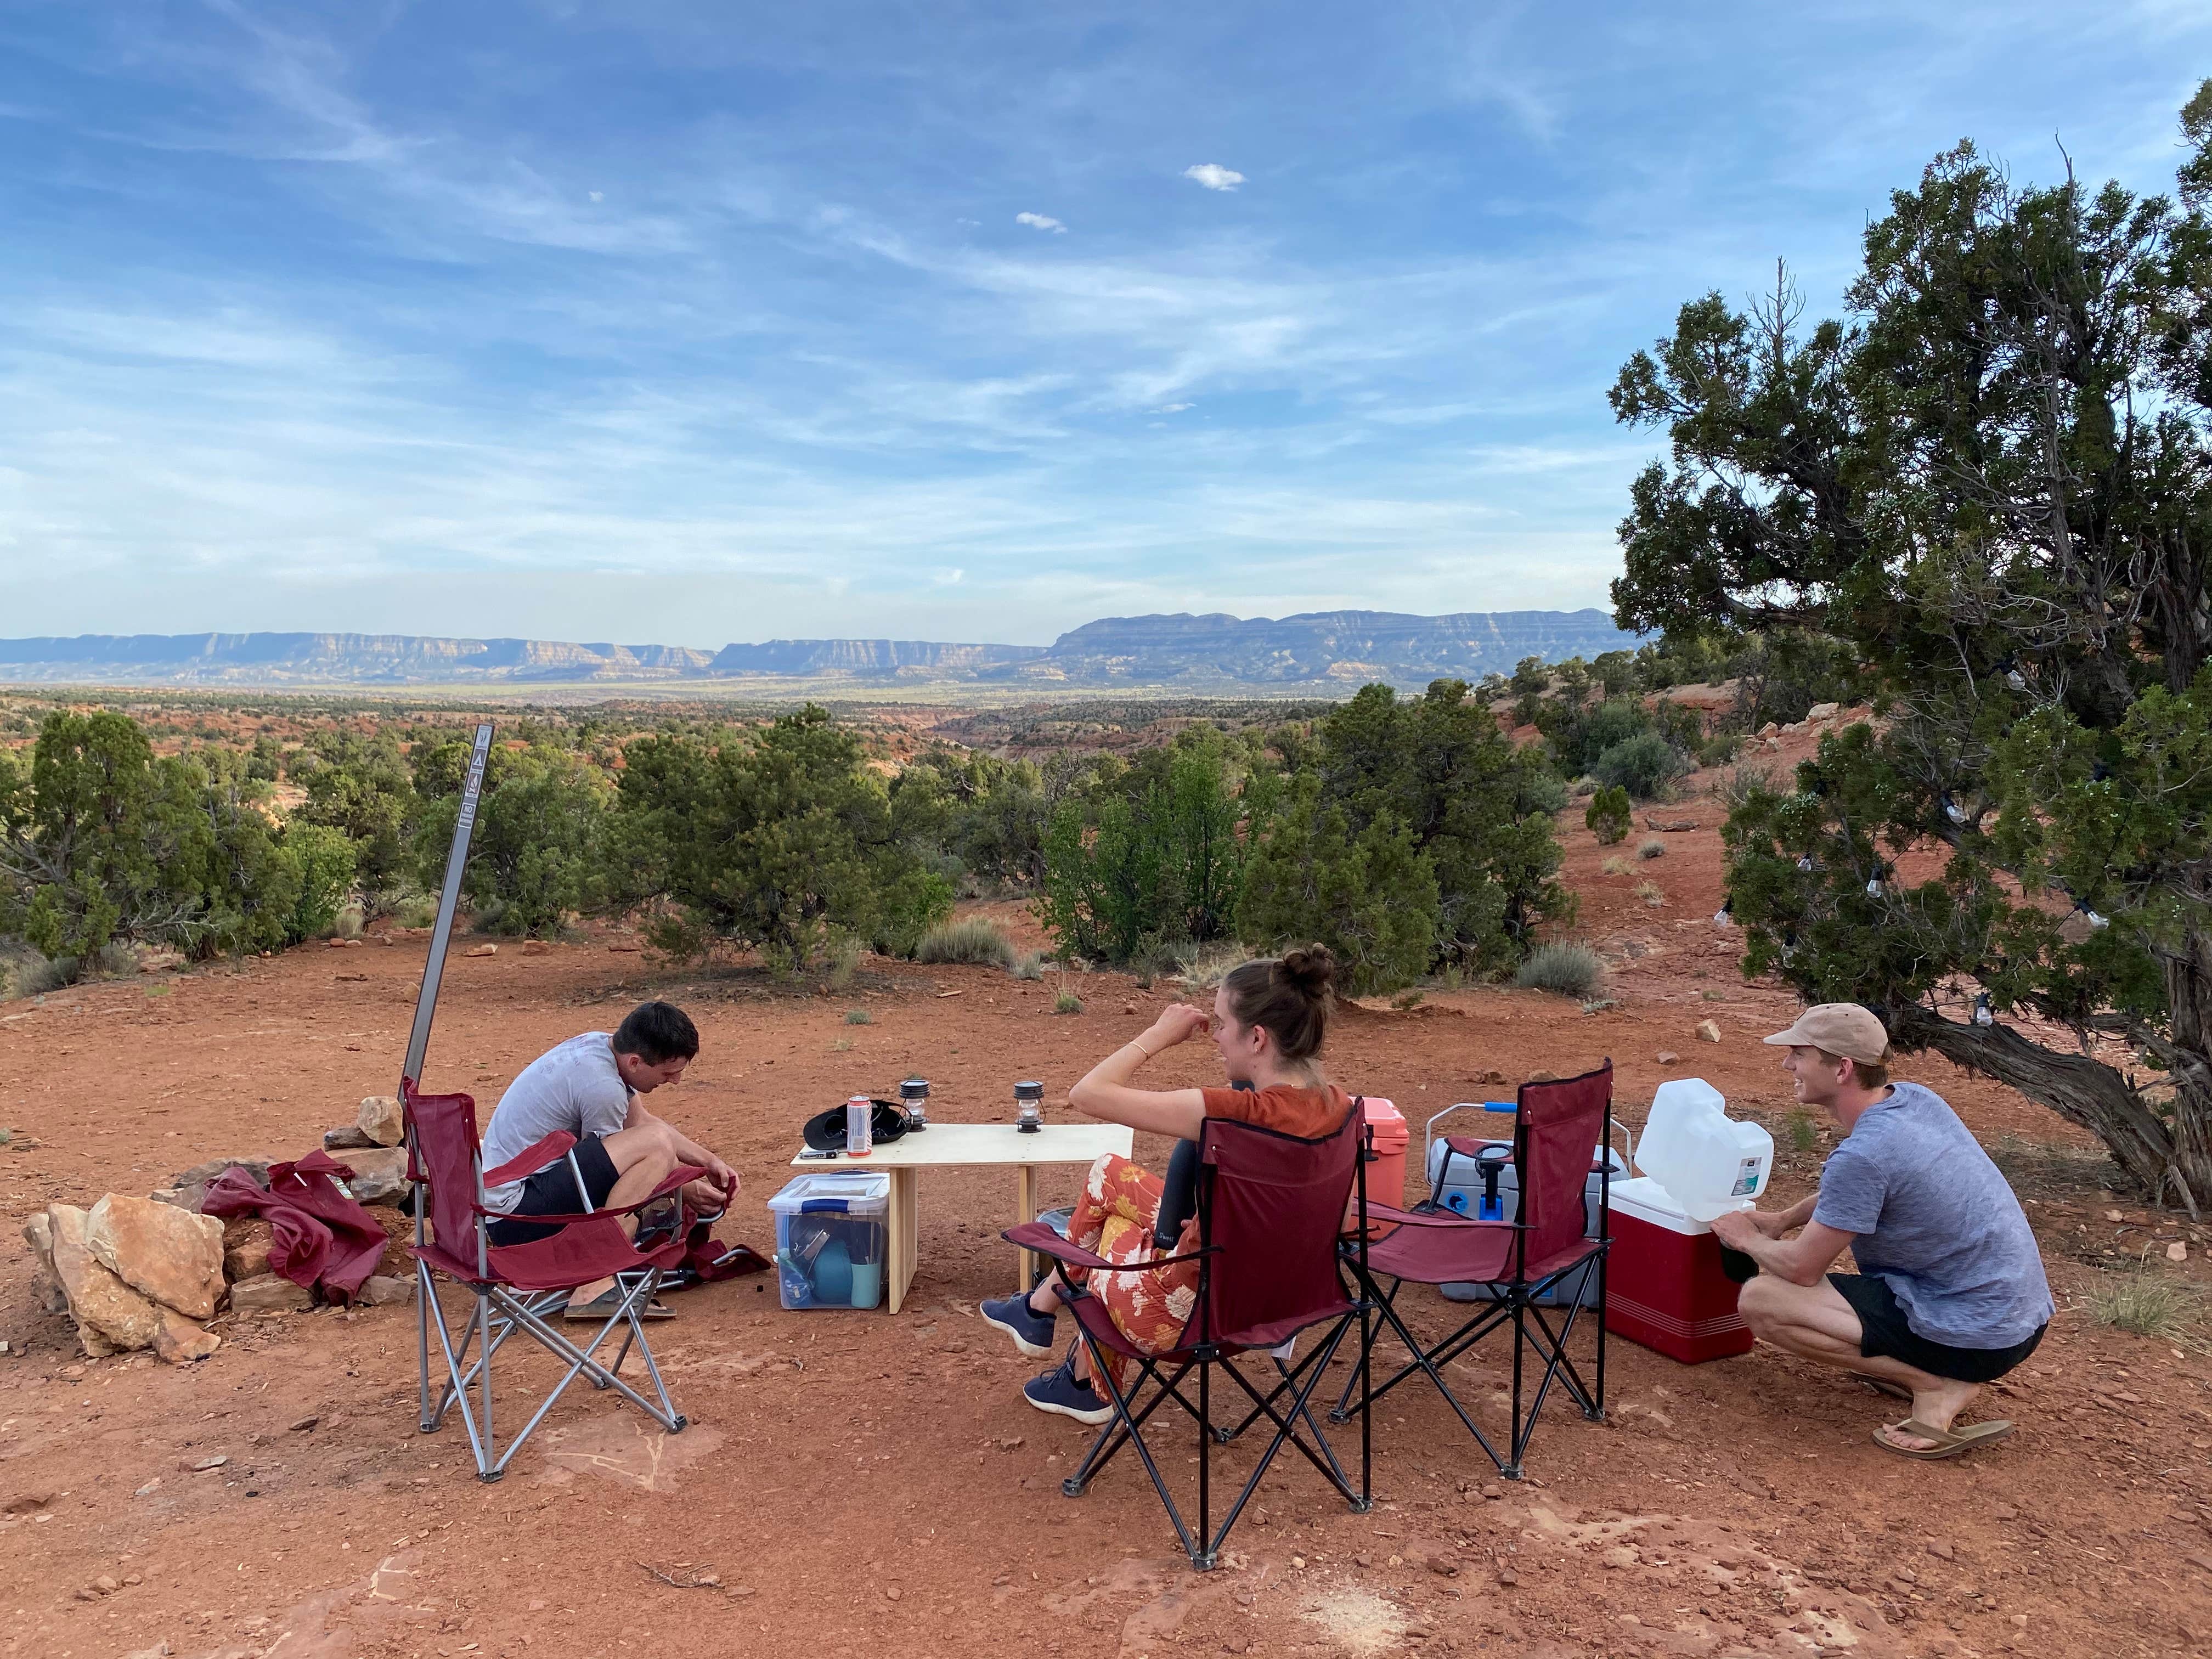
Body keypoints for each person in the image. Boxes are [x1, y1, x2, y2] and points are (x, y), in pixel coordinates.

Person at [978, 946, 1354, 1424]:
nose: (1215, 1037)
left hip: (1185, 1319)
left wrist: (1157, 1036)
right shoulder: (1343, 1111)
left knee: (1106, 1236)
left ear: (1257, 1038)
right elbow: (1336, 1220)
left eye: (1221, 1023)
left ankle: (1083, 1373)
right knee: (1109, 1172)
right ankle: (1042, 1317)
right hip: (1276, 1307)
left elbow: (1087, 1094)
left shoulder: (1233, 1115)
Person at [1708, 1003, 2052, 1460]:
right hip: (2015, 1319)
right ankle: (1922, 1364)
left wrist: (1746, 1238)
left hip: (1977, 1335)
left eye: (1800, 1055)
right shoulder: (1913, 1100)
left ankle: (1936, 1387)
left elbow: (1803, 1269)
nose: (1787, 1064)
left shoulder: (1865, 1154)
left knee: (1762, 1301)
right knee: (1798, 1288)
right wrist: (1779, 1221)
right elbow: (1860, 1188)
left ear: (1842, 1069)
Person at [479, 1000, 738, 1321]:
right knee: (656, 1149)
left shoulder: (599, 1047)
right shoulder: (603, 1088)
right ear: (635, 1062)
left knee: (656, 1145)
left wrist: (708, 1161)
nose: (675, 1081)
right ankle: (597, 1283)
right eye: (669, 1073)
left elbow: (641, 1124)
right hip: (519, 1220)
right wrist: (682, 1187)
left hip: (508, 1203)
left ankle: (598, 1276)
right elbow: (626, 1167)